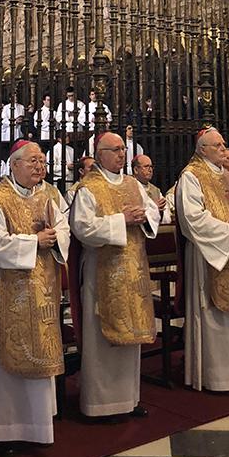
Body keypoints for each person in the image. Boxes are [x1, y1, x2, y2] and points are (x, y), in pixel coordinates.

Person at [0, 140, 69, 454]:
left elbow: (65, 229)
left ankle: (38, 427)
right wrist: (33, 242)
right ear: (14, 164)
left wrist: (54, 237)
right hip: (9, 289)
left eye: (42, 160)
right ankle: (6, 432)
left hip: (43, 287)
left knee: (41, 349)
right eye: (32, 161)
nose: (39, 166)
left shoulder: (50, 195)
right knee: (10, 355)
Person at [70, 131, 159, 419]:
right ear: (100, 154)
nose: (122, 154)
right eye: (115, 149)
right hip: (103, 271)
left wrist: (145, 216)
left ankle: (128, 400)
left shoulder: (133, 184)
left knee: (130, 336)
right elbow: (82, 228)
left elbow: (153, 212)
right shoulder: (88, 187)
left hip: (133, 268)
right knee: (102, 339)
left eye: (123, 149)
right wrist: (122, 220)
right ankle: (99, 405)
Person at [176, 128, 229, 391]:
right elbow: (192, 219)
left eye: (224, 144)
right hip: (208, 255)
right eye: (218, 145)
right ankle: (215, 378)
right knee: (212, 312)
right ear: (202, 149)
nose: (224, 149)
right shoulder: (191, 175)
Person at [132, 154, 171, 223]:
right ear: (136, 170)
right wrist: (154, 209)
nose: (150, 170)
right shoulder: (129, 187)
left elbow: (166, 217)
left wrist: (160, 212)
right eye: (146, 166)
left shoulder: (156, 191)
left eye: (151, 167)